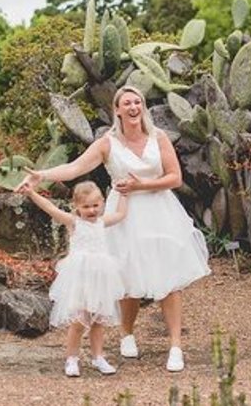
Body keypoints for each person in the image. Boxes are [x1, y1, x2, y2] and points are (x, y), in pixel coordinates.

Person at [18, 85, 210, 372]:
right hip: (123, 214)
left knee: (168, 281)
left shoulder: (158, 138)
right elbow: (74, 168)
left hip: (159, 211)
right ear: (117, 110)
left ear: (143, 108)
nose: (133, 108)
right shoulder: (107, 143)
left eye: (138, 102)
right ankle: (126, 334)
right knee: (125, 278)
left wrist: (142, 185)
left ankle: (175, 346)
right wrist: (41, 175)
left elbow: (174, 177)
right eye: (127, 103)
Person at [22, 180, 129, 377]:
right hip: (81, 278)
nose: (91, 210)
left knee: (99, 320)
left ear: (102, 203)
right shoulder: (74, 222)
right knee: (79, 321)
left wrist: (124, 193)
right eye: (86, 206)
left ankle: (98, 357)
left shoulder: (102, 222)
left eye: (95, 205)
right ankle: (72, 358)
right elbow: (50, 208)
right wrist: (31, 193)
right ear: (77, 207)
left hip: (100, 277)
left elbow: (121, 214)